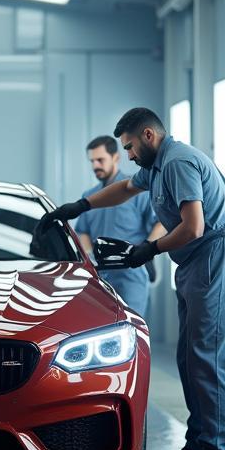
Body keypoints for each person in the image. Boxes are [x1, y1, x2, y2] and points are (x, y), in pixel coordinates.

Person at [39, 107, 225, 450]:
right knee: (191, 358)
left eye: (130, 146)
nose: (130, 155)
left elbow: (195, 226)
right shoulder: (156, 166)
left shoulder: (178, 162)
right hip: (195, 263)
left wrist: (148, 250)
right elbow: (124, 189)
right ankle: (200, 444)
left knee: (212, 359)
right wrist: (81, 206)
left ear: (149, 136)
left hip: (216, 256)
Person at [73, 135, 160, 319]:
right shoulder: (89, 196)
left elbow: (161, 223)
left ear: (115, 157)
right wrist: (89, 256)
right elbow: (82, 230)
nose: (95, 165)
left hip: (130, 274)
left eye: (100, 160)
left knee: (132, 328)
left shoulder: (137, 190)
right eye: (92, 161)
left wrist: (147, 248)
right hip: (99, 277)